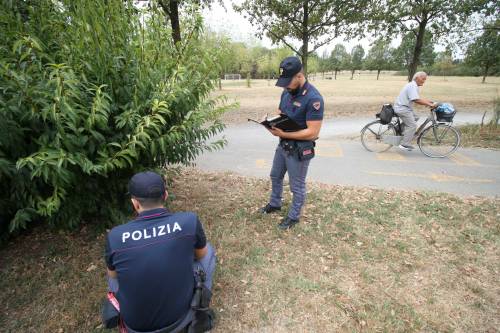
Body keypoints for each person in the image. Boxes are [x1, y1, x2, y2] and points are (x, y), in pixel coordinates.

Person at [104, 171, 216, 333]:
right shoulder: (188, 221)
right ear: (166, 195)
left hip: (134, 327)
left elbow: (114, 277)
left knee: (113, 273)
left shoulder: (115, 236)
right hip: (181, 319)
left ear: (134, 203)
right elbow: (201, 255)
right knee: (208, 251)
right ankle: (200, 304)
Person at [259, 56, 324, 229]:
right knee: (275, 175)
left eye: (288, 81)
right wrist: (270, 124)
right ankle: (275, 204)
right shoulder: (286, 92)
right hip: (283, 144)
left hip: (299, 149)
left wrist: (285, 133)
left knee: (297, 186)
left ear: (299, 76)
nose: (286, 85)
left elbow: (313, 132)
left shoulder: (314, 98)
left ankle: (294, 216)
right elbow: (281, 113)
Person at [394, 71, 437, 151]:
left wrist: (429, 102)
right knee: (412, 126)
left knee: (416, 117)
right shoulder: (412, 86)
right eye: (423, 79)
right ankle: (404, 144)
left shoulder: (414, 85)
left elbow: (417, 98)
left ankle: (398, 129)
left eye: (425, 79)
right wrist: (430, 105)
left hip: (405, 108)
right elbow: (416, 100)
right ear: (417, 78)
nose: (424, 81)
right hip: (402, 109)